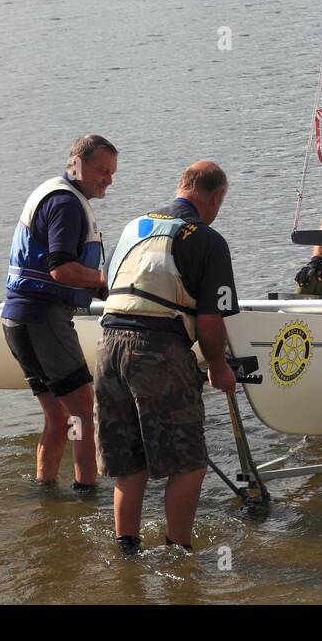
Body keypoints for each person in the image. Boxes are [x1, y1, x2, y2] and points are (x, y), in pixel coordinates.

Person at [94, 160, 239, 555]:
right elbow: (210, 322)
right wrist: (219, 367)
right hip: (157, 350)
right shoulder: (208, 240)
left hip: (107, 347)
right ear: (215, 197)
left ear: (181, 187)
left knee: (129, 461)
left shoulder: (133, 227)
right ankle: (178, 552)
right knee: (189, 462)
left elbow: (108, 287)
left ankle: (127, 551)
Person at [2, 134, 117, 493]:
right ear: (76, 164)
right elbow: (61, 269)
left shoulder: (54, 193)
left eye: (112, 173)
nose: (108, 180)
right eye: (102, 170)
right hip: (44, 319)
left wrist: (95, 286)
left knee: (56, 415)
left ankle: (45, 493)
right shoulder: (67, 203)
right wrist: (107, 280)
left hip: (16, 319)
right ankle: (87, 495)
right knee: (85, 414)